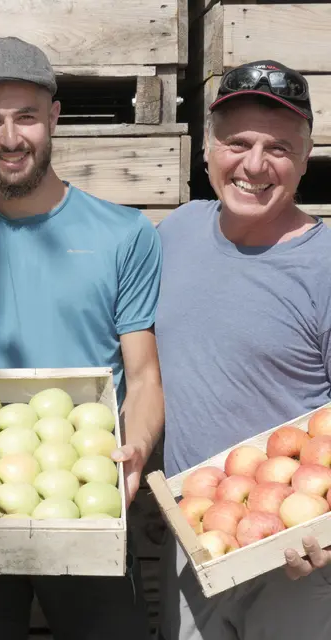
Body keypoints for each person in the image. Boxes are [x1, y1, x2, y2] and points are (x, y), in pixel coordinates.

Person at [0, 36, 164, 640]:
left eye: (26, 117)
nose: (10, 138)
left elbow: (144, 376)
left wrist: (137, 448)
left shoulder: (124, 236)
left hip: (90, 501)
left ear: (55, 118)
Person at [156, 60, 331, 640]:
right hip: (198, 538)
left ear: (306, 159)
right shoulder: (176, 233)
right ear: (208, 151)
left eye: (278, 148)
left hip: (300, 560)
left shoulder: (325, 265)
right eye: (238, 143)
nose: (254, 165)